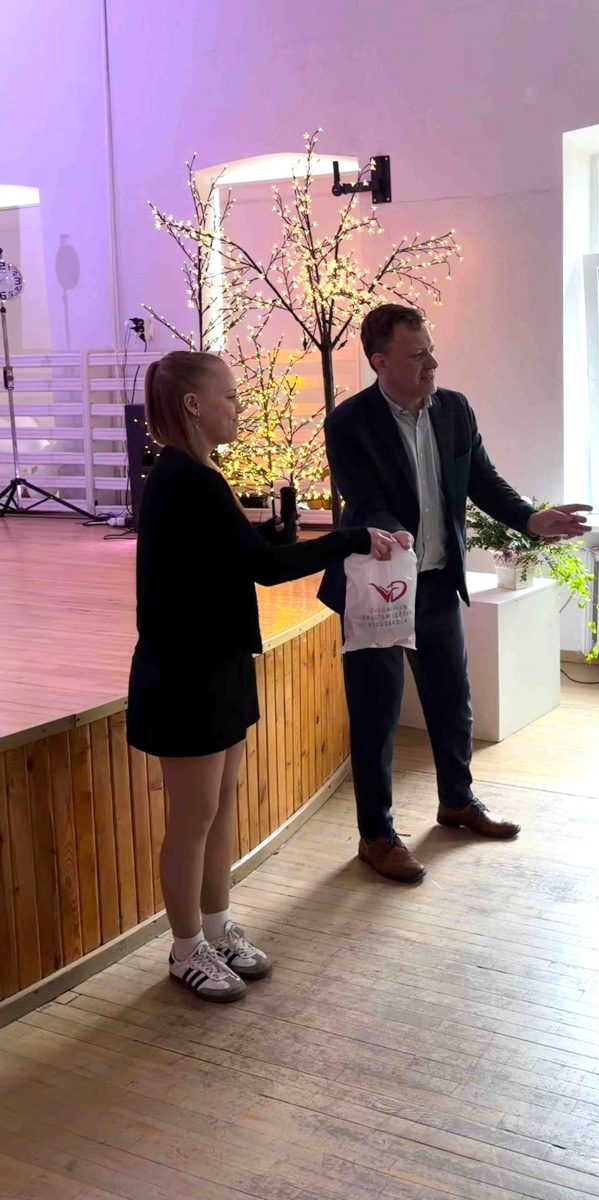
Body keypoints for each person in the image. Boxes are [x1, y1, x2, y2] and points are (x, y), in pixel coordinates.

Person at [127, 350, 394, 1002]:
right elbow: (266, 568)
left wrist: (297, 535)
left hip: (218, 663)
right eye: (230, 397)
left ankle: (216, 928)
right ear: (193, 404)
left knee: (220, 808)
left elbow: (239, 555)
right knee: (192, 819)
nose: (239, 407)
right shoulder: (184, 479)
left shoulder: (200, 476)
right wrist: (351, 539)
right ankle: (185, 947)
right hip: (184, 675)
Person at [320, 303, 591, 883]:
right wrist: (391, 530)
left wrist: (530, 518)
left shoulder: (454, 410)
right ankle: (376, 835)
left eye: (431, 351)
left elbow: (482, 481)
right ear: (380, 361)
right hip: (378, 588)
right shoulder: (349, 423)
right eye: (417, 355)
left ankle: (457, 801)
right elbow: (363, 498)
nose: (432, 364)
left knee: (451, 701)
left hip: (439, 583)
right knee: (376, 713)